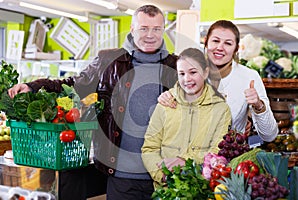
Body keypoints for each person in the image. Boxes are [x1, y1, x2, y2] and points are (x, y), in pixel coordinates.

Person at [8, 5, 178, 200]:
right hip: (121, 176)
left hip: (163, 174)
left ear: (163, 29)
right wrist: (33, 86)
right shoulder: (109, 60)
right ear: (132, 29)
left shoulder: (176, 67)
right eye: (144, 28)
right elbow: (73, 85)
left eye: (156, 29)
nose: (150, 35)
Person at [158, 20, 278, 142]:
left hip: (231, 157)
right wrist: (166, 98)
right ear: (206, 42)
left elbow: (269, 136)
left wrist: (259, 106)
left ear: (236, 48)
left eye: (228, 43)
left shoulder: (249, 77)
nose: (220, 47)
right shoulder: (188, 70)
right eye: (215, 41)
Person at [141, 48, 231, 186]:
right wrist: (163, 176)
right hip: (166, 191)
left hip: (202, 189)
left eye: (193, 72)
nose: (187, 79)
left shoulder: (221, 109)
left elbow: (217, 151)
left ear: (206, 72)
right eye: (181, 73)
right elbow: (149, 148)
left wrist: (184, 161)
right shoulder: (165, 104)